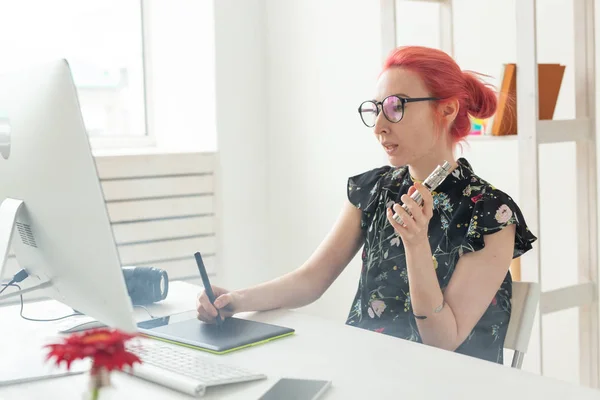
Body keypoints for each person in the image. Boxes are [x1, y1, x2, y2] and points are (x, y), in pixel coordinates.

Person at [196, 45, 537, 364]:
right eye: (376, 109)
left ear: (447, 109)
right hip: (365, 369)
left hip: (447, 385)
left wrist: (416, 245)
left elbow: (443, 341)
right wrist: (234, 302)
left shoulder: (492, 214)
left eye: (396, 107)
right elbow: (311, 280)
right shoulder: (375, 189)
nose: (379, 127)